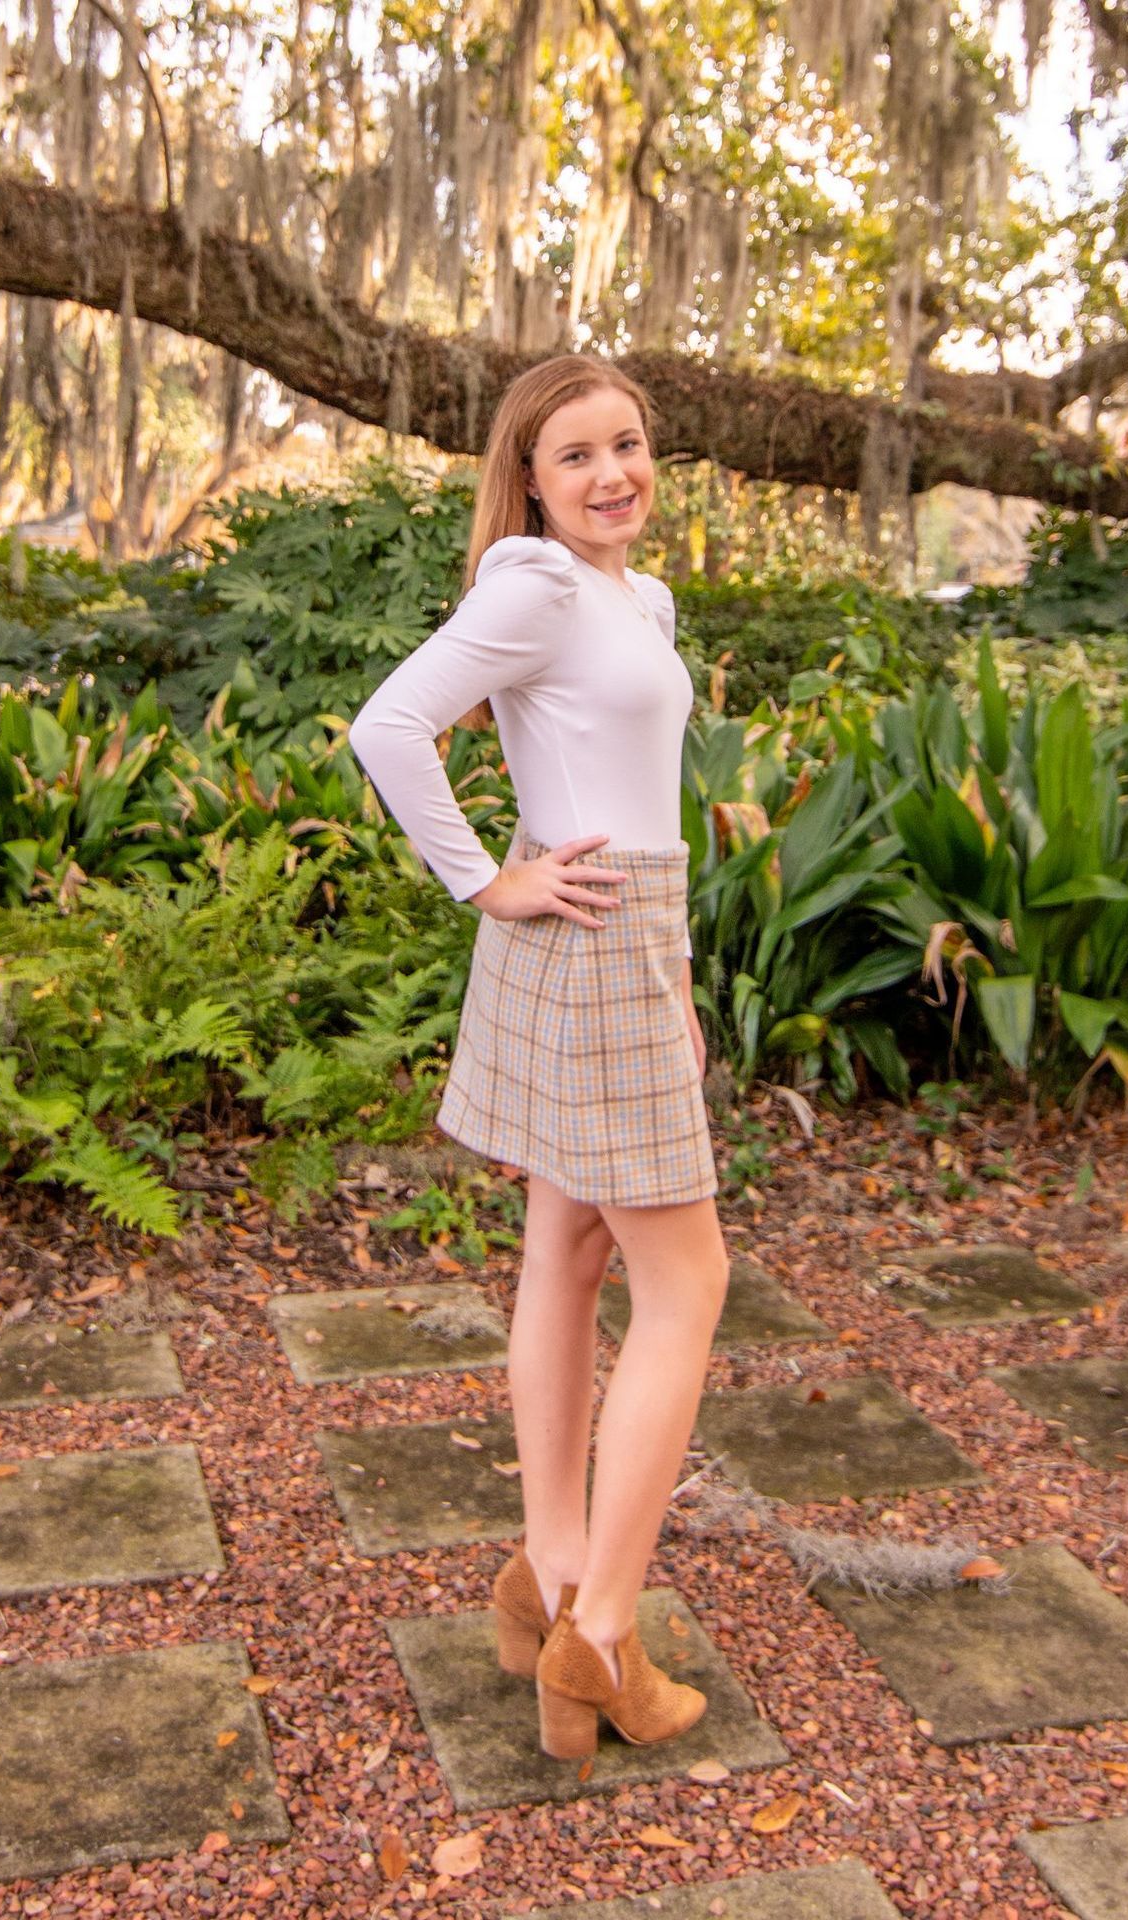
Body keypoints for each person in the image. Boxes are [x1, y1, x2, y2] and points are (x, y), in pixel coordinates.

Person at [346, 353, 730, 1761]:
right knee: (689, 1280)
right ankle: (606, 1632)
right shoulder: (537, 586)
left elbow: (652, 801)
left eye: (628, 444)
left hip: (630, 941)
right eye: (576, 455)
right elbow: (387, 727)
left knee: (568, 1255)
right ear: (528, 477)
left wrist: (675, 981)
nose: (612, 474)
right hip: (576, 929)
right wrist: (481, 879)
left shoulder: (641, 598)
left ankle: (553, 1572)